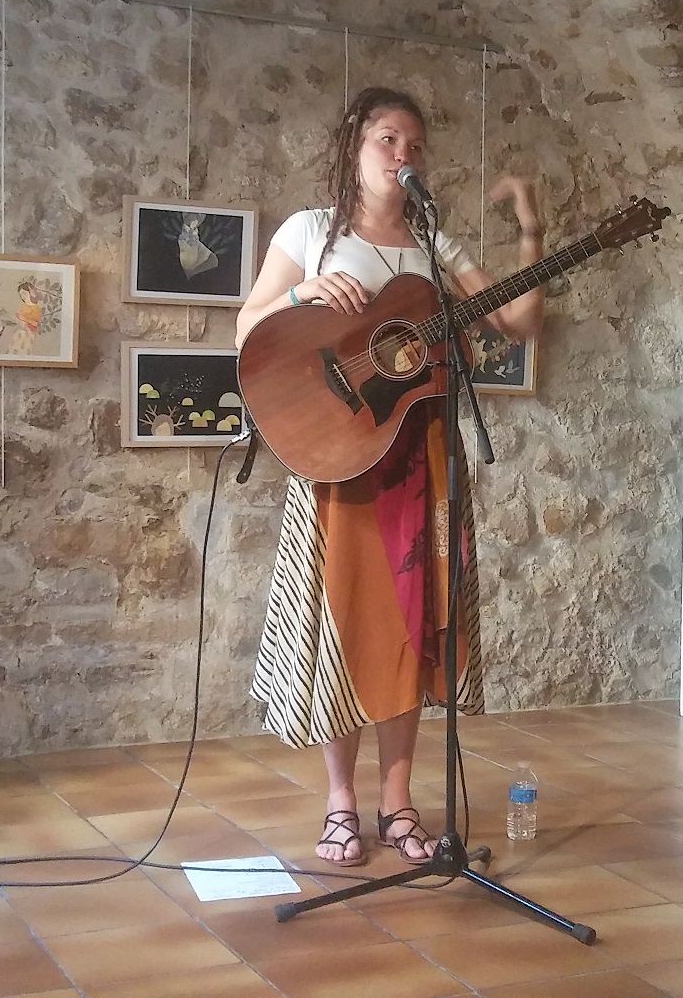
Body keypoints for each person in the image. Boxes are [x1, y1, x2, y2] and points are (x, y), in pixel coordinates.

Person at [235, 86, 544, 868]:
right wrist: (302, 292)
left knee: (414, 626)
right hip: (340, 455)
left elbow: (517, 322)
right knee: (343, 623)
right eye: (386, 139)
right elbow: (247, 326)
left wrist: (532, 231)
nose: (403, 155)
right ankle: (340, 802)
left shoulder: (434, 245)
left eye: (413, 144)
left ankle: (398, 801)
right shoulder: (310, 231)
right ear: (353, 147)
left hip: (422, 457)